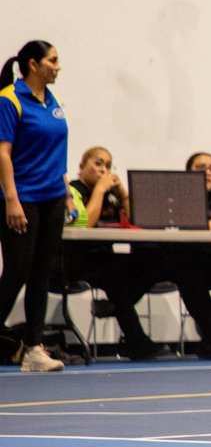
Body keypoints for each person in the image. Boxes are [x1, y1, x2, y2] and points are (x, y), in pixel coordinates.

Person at [137, 152, 211, 359]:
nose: (208, 173)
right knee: (191, 273)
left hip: (204, 256)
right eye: (201, 168)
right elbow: (180, 226)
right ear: (188, 173)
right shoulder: (177, 195)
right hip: (173, 258)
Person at [0, 41, 68, 372]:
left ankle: (34, 349)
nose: (58, 66)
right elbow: (2, 153)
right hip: (23, 196)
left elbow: (57, 148)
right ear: (33, 64)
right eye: (52, 61)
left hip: (53, 196)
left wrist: (67, 190)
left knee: (42, 273)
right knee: (17, 270)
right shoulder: (9, 99)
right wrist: (11, 198)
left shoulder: (52, 101)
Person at [65, 146, 168, 360]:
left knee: (155, 261)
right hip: (76, 260)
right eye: (98, 163)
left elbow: (136, 223)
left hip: (105, 258)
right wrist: (99, 191)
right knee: (117, 277)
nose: (104, 169)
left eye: (108, 165)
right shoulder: (74, 190)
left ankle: (113, 307)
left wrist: (124, 195)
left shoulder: (112, 196)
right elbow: (84, 225)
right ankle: (137, 342)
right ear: (82, 167)